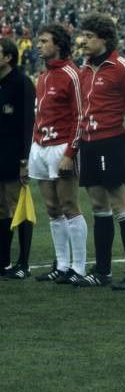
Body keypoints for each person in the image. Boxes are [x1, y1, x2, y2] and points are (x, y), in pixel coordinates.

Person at [74, 13, 125, 290]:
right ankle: (102, 271)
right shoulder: (84, 69)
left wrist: (124, 142)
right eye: (84, 36)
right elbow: (81, 111)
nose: (84, 41)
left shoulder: (121, 66)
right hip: (88, 142)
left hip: (111, 142)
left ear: (103, 39)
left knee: (120, 205)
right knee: (98, 206)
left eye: (89, 37)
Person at [29, 24, 89, 284]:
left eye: (44, 41)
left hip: (61, 146)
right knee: (52, 209)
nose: (39, 45)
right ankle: (62, 265)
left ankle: (79, 267)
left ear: (58, 45)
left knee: (69, 206)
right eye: (39, 41)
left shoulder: (71, 74)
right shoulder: (43, 76)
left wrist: (70, 152)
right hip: (40, 146)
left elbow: (80, 117)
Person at [0, 39, 35, 278]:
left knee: (17, 207)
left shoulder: (22, 83)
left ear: (8, 57)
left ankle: (23, 263)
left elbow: (27, 124)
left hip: (15, 156)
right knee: (2, 208)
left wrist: (24, 160)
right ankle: (3, 261)